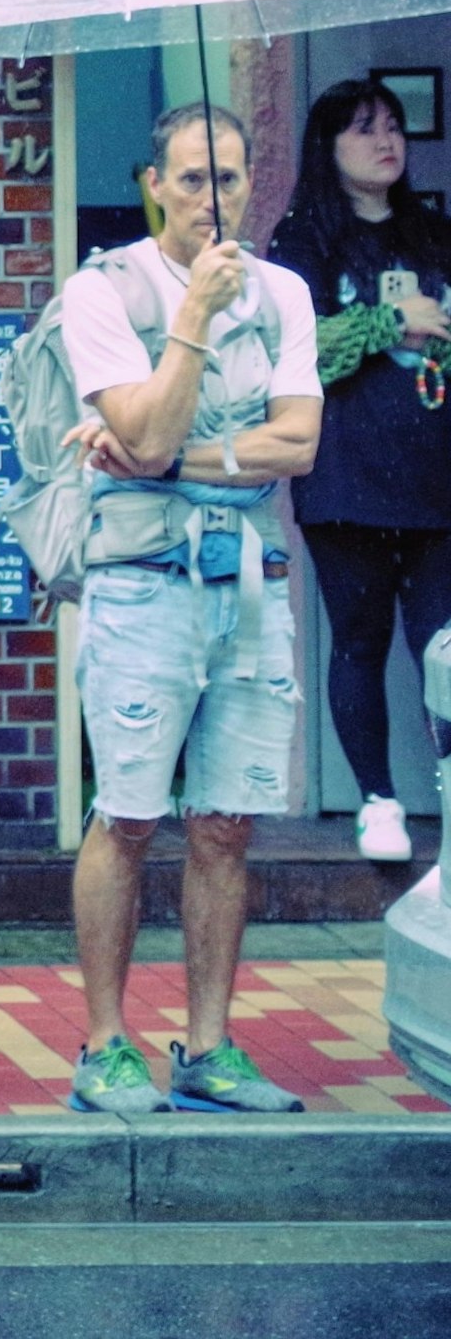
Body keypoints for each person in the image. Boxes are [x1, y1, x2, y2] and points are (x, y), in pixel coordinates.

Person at [55, 101, 322, 1116]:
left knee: (226, 822)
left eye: (232, 177)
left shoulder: (286, 293)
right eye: (193, 177)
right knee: (127, 813)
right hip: (142, 587)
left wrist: (177, 460)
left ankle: (208, 1044)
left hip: (252, 582)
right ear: (152, 183)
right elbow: (150, 427)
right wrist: (196, 317)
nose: (215, 197)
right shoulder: (105, 291)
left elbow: (296, 443)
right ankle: (105, 1042)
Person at [262, 76, 451, 867]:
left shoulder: (433, 233)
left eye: (395, 127)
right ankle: (378, 798)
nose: (387, 141)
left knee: (441, 642)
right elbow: (300, 351)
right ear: (328, 146)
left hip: (435, 471)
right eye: (365, 128)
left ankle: (446, 782)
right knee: (362, 638)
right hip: (345, 472)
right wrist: (387, 320)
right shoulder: (304, 240)